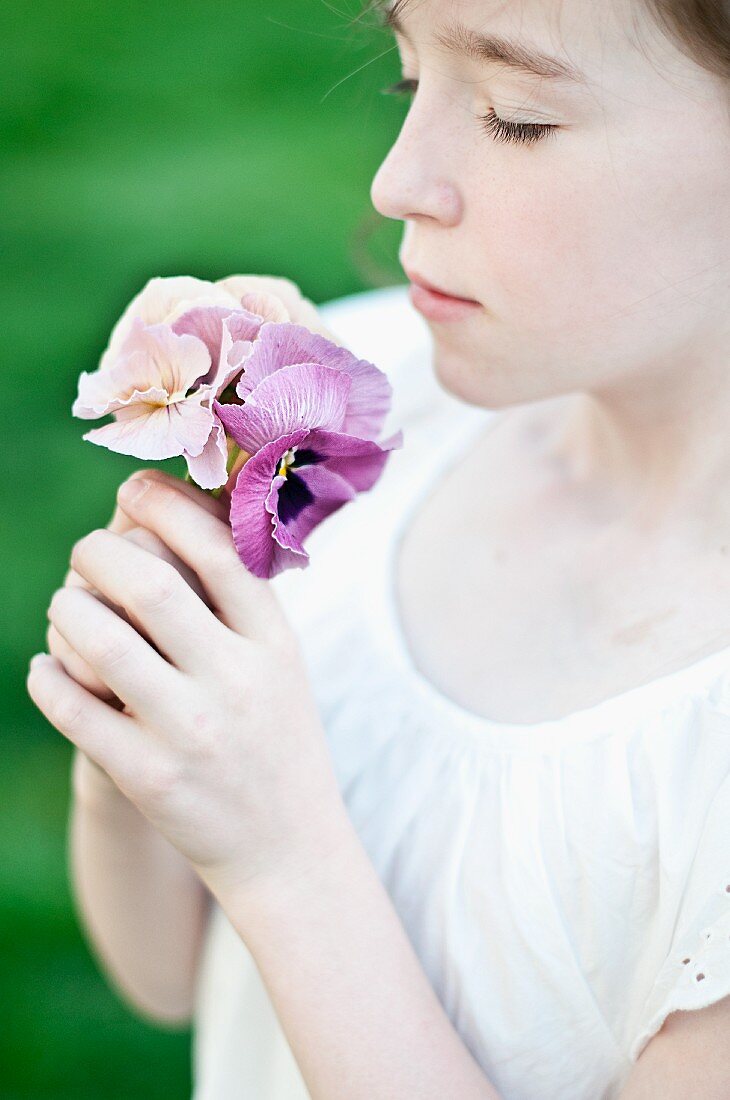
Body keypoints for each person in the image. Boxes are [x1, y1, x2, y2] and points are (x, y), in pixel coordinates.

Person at [29, 0, 730, 1096]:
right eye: (411, 82)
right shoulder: (360, 406)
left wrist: (283, 853)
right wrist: (150, 721)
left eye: (513, 116)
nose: (395, 181)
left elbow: (265, 868)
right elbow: (165, 970)